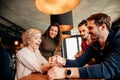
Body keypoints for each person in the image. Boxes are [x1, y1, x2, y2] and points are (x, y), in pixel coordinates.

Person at [48, 13, 120, 80]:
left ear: (103, 27)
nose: (88, 31)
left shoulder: (118, 39)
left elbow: (108, 69)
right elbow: (78, 62)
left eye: (90, 28)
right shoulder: (95, 46)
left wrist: (66, 72)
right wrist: (60, 60)